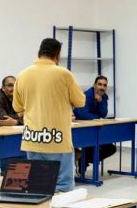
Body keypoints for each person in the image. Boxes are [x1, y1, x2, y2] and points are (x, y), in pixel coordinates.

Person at [13, 38, 86, 192]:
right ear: (57, 55)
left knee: (38, 186)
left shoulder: (22, 75)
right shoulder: (64, 74)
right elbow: (80, 101)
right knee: (63, 187)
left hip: (32, 138)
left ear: (39, 52)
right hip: (57, 138)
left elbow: (17, 107)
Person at [74, 76, 117, 170]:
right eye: (100, 84)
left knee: (111, 148)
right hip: (81, 129)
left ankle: (82, 159)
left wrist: (100, 101)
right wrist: (97, 117)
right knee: (92, 145)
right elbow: (83, 115)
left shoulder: (103, 97)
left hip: (93, 129)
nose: (102, 87)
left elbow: (103, 113)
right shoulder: (87, 96)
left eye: (104, 85)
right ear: (94, 85)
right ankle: (81, 160)